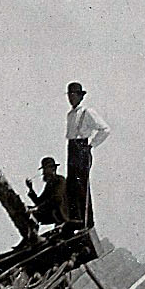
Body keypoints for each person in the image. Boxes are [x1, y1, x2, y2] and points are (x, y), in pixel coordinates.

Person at [64, 82, 110, 229]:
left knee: (81, 184)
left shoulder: (87, 112)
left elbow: (105, 129)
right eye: (69, 95)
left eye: (74, 95)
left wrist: (91, 145)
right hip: (72, 148)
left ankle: (86, 221)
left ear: (80, 96)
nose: (71, 98)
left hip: (82, 148)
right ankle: (75, 218)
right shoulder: (70, 115)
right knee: (71, 184)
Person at [27, 156, 68, 226]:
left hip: (59, 214)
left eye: (45, 169)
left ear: (53, 168)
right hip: (51, 213)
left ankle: (31, 233)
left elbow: (56, 199)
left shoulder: (60, 180)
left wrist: (38, 208)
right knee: (25, 210)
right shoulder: (49, 184)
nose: (43, 172)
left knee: (32, 214)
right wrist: (31, 189)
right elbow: (39, 201)